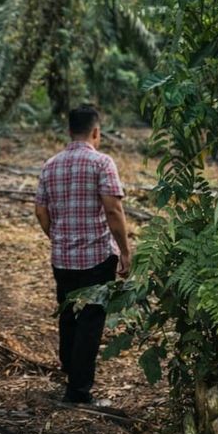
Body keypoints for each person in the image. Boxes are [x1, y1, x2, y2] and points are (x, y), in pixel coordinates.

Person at [35, 104, 131, 404]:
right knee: (91, 320)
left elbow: (41, 211)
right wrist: (126, 251)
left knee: (68, 315)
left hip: (62, 258)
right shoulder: (102, 163)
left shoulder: (51, 165)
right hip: (96, 256)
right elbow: (113, 209)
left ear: (69, 131)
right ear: (96, 132)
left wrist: (58, 236)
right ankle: (78, 391)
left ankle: (70, 371)